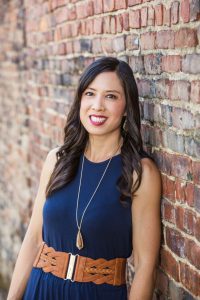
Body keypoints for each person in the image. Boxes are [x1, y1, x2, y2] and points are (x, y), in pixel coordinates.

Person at [7, 56, 162, 300]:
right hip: (42, 288)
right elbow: (34, 239)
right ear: (80, 99)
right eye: (90, 94)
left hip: (98, 293)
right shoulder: (57, 160)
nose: (97, 105)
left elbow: (145, 266)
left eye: (111, 96)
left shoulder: (139, 173)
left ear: (126, 108)